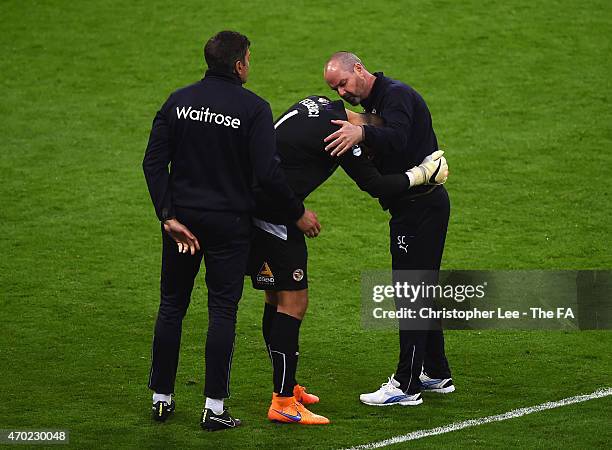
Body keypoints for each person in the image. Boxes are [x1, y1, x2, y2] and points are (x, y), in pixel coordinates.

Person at [142, 30, 320, 431]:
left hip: (181, 225)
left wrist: (168, 215)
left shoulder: (178, 101)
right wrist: (297, 212)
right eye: (249, 59)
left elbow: (153, 163)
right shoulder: (254, 109)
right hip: (229, 225)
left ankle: (161, 399)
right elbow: (268, 174)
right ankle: (214, 408)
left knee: (172, 306)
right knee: (222, 310)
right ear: (239, 65)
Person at [248, 94, 448, 423]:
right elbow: (375, 184)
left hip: (256, 204)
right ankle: (282, 401)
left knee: (275, 297)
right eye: (370, 149)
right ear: (363, 129)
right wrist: (423, 173)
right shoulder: (346, 135)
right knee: (293, 302)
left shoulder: (320, 103)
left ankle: (286, 386)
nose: (367, 155)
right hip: (276, 212)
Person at [323, 52, 454, 406]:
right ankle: (437, 372)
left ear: (360, 69)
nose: (341, 92)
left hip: (420, 207)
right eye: (335, 88)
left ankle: (406, 385)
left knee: (410, 293)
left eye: (344, 83)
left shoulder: (396, 95)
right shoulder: (377, 100)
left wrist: (359, 132)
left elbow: (395, 137)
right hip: (414, 205)